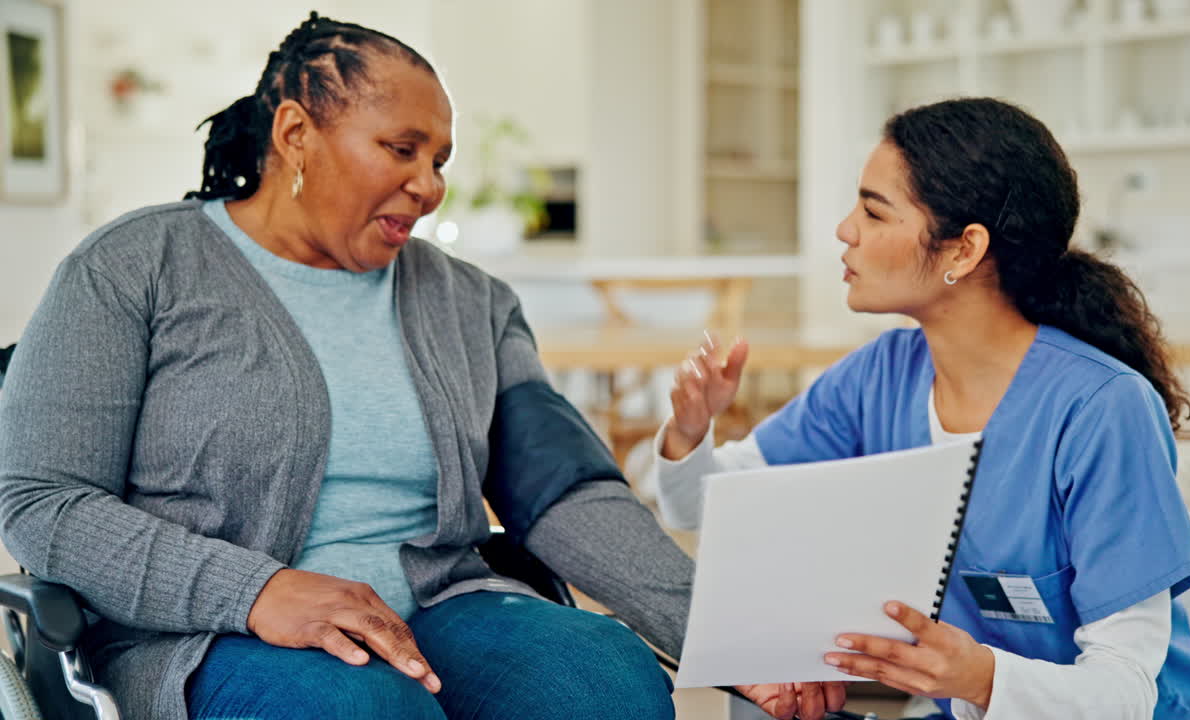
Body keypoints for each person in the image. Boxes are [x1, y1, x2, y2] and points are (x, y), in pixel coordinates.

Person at [0, 14, 699, 720]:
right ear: (296, 134)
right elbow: (42, 499)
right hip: (201, 635)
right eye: (402, 149)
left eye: (439, 162)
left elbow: (567, 494)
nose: (428, 186)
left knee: (607, 681)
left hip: (439, 608)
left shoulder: (471, 302)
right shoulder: (131, 268)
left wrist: (727, 640)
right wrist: (255, 591)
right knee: (359, 705)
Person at [655, 97, 1190, 719]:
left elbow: (1125, 694)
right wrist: (692, 429)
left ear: (964, 250)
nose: (845, 231)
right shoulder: (879, 377)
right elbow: (705, 509)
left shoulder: (1101, 409)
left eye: (875, 212)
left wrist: (980, 679)